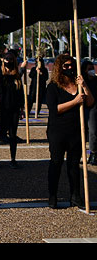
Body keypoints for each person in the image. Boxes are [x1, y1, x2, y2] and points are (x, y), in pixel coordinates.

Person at [46, 54, 94, 209]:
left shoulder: (79, 84)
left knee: (74, 166)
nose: (69, 68)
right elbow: (55, 109)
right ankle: (52, 195)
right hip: (58, 131)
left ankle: (75, 196)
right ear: (60, 68)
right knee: (56, 163)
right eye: (65, 66)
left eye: (71, 65)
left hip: (76, 130)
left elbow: (90, 102)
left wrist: (84, 85)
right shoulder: (53, 86)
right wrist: (74, 102)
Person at [0, 51, 25, 168]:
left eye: (11, 59)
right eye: (7, 59)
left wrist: (22, 108)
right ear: (3, 60)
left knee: (13, 134)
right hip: (1, 107)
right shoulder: (0, 73)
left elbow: (20, 93)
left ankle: (13, 159)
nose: (8, 61)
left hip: (14, 108)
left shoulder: (16, 75)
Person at [81, 60, 97, 166]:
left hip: (94, 108)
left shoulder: (96, 81)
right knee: (82, 131)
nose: (91, 71)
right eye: (89, 69)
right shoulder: (82, 81)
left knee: (93, 131)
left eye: (93, 68)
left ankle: (93, 153)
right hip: (82, 107)